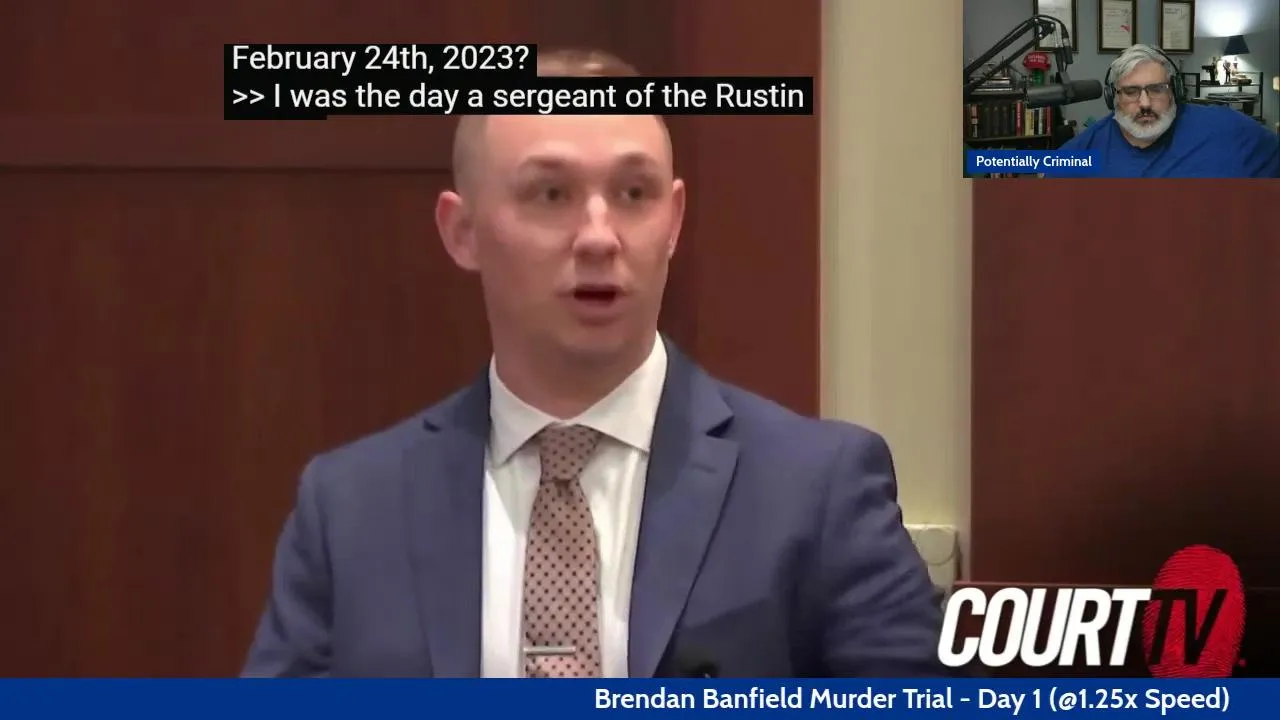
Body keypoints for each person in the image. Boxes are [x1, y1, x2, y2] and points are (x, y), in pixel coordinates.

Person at [241, 48, 948, 678]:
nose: (600, 237)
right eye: (552, 194)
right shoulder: (349, 507)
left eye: (634, 195)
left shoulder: (818, 489)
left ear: (673, 222)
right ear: (463, 231)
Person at [1059, 44, 1279, 178]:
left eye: (1157, 89)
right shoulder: (1084, 150)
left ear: (1176, 90)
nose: (1145, 103)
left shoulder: (1228, 128)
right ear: (1113, 97)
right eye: (1131, 92)